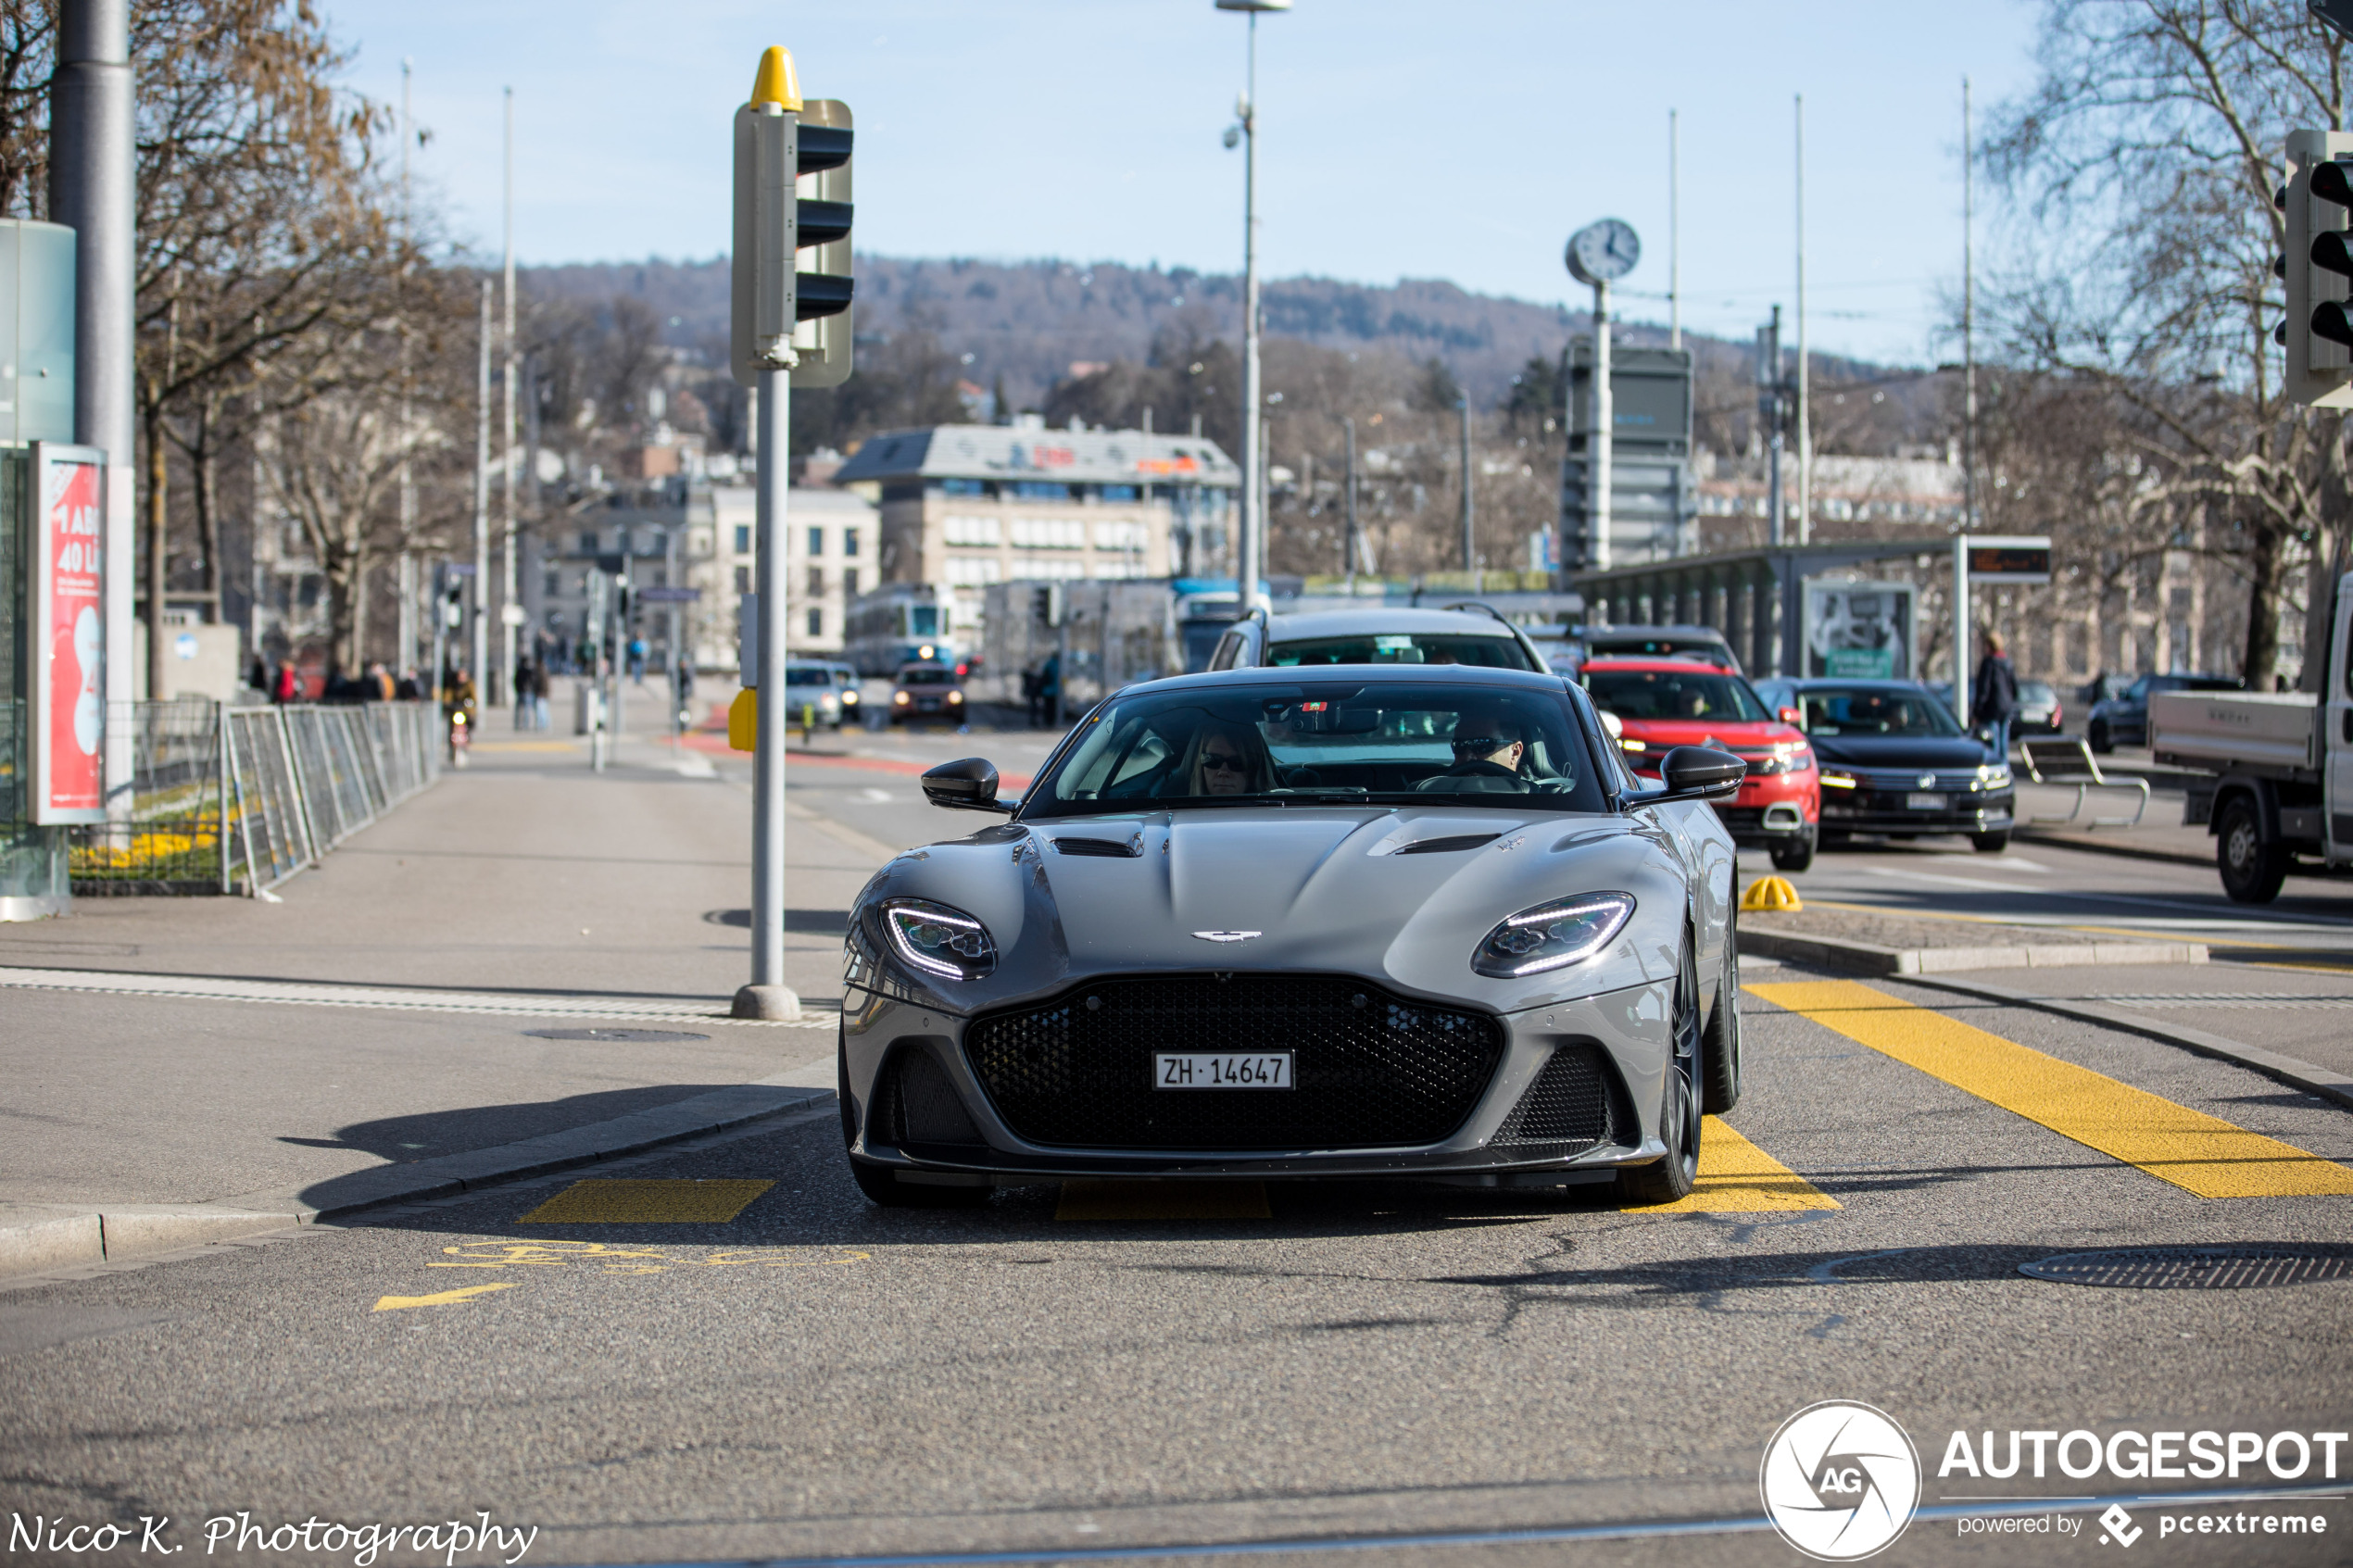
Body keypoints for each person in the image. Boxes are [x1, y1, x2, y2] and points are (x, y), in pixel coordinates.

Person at [1418, 709, 1531, 793]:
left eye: (1482, 744)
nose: (1468, 757)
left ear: (1515, 752)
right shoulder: (1429, 793)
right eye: (1459, 745)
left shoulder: (1540, 799)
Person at [1173, 718, 1273, 797]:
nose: (1223, 772)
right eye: (1213, 760)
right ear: (1201, 766)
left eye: (1237, 763)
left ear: (1255, 769)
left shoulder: (1277, 814)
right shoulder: (1175, 812)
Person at [1972, 632, 2019, 762]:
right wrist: (2010, 701)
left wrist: (1977, 711)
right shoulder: (2007, 662)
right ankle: (2004, 766)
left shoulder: (1989, 663)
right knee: (2003, 739)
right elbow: (2014, 687)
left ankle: (1996, 767)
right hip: (2006, 707)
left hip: (1992, 707)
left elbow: (1983, 689)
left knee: (1993, 741)